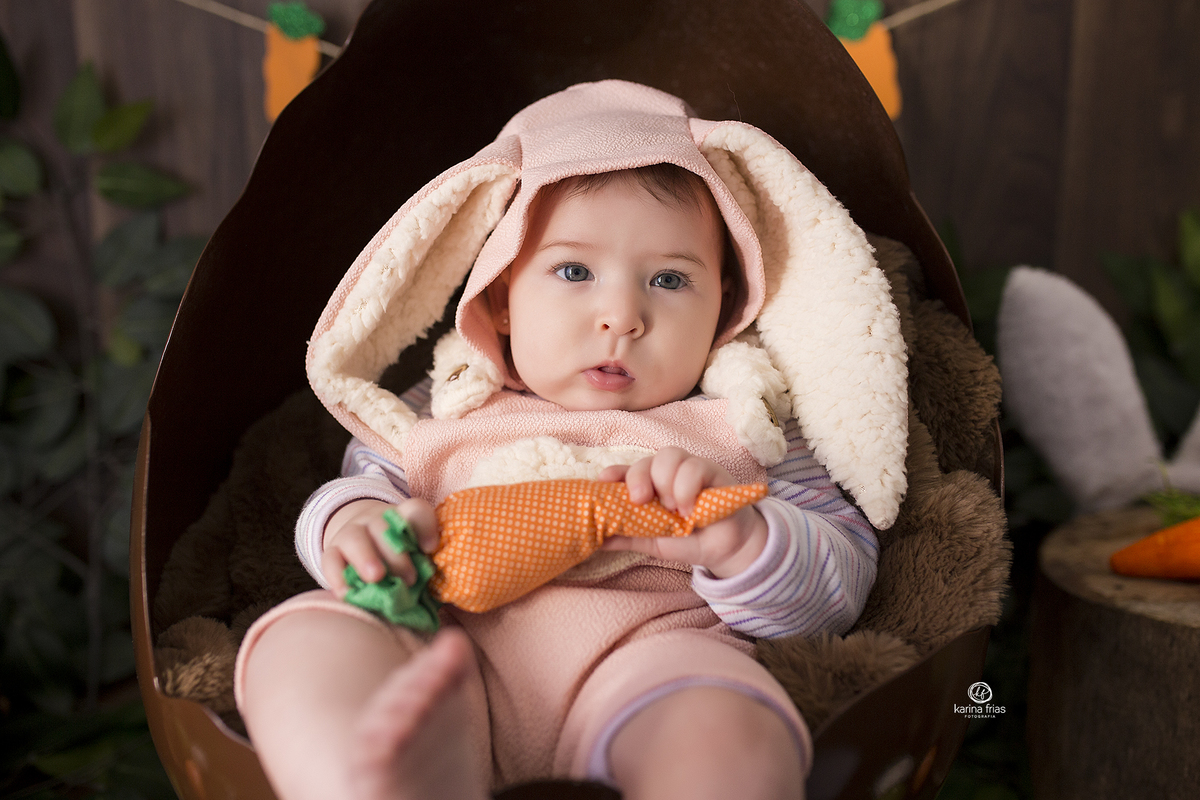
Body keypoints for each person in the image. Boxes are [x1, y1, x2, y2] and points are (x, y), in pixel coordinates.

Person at [234, 80, 907, 800]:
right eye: (575, 270)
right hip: (440, 644)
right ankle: (367, 782)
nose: (621, 314)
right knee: (300, 641)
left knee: (724, 729)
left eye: (671, 279)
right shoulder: (447, 404)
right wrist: (355, 526)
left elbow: (843, 580)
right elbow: (357, 488)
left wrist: (742, 539)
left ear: (726, 307)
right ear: (499, 299)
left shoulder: (749, 421)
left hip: (651, 661)